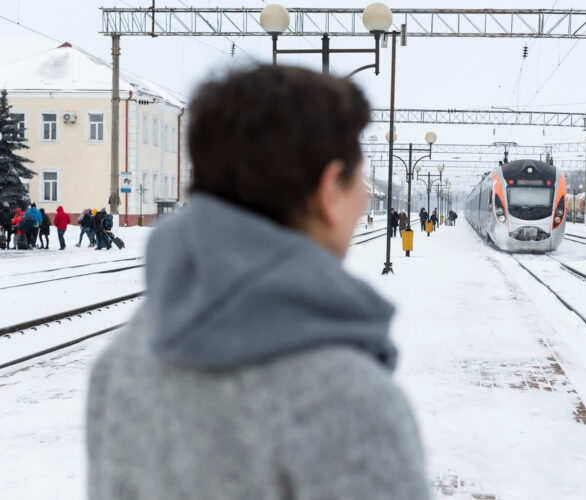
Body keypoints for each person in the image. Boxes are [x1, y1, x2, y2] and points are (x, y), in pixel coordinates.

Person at [87, 64, 430, 500]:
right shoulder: (349, 400)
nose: (364, 198)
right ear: (329, 190)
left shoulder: (121, 362)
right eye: (357, 180)